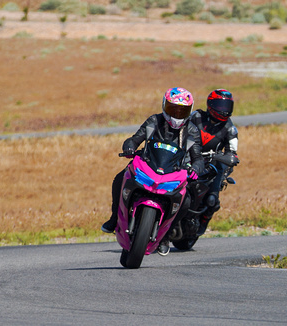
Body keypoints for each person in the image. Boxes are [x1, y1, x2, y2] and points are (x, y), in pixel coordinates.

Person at [101, 87, 204, 256]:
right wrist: (129, 146)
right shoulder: (154, 121)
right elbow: (136, 138)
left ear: (189, 111)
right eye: (173, 109)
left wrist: (196, 169)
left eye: (182, 110)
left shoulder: (192, 131)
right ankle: (114, 218)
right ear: (164, 106)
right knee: (120, 178)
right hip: (148, 163)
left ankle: (166, 236)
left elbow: (198, 157)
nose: (177, 114)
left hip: (176, 171)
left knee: (187, 200)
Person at [188, 89, 239, 236]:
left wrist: (230, 158)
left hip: (213, 163)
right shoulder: (195, 117)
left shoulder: (230, 128)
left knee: (211, 199)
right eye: (220, 106)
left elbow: (232, 151)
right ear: (210, 104)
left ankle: (204, 218)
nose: (223, 111)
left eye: (227, 107)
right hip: (189, 157)